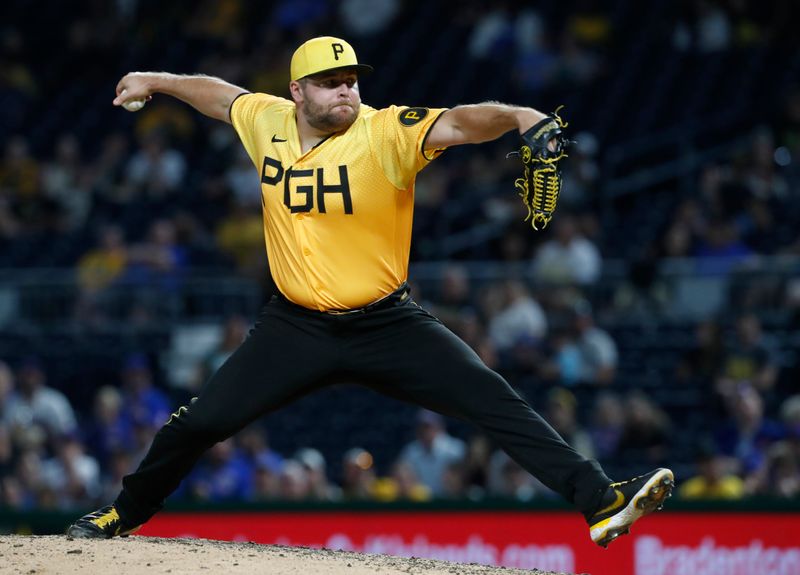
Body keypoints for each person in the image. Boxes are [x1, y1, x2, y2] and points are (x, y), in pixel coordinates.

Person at [66, 36, 673, 548]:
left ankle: (600, 500)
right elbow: (217, 94)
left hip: (387, 324)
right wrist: (156, 79)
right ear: (297, 92)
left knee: (494, 399)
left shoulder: (386, 133)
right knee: (197, 423)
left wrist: (519, 117)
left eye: (352, 79)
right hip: (295, 327)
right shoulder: (268, 121)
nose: (347, 91)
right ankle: (126, 512)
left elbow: (461, 121)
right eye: (330, 82)